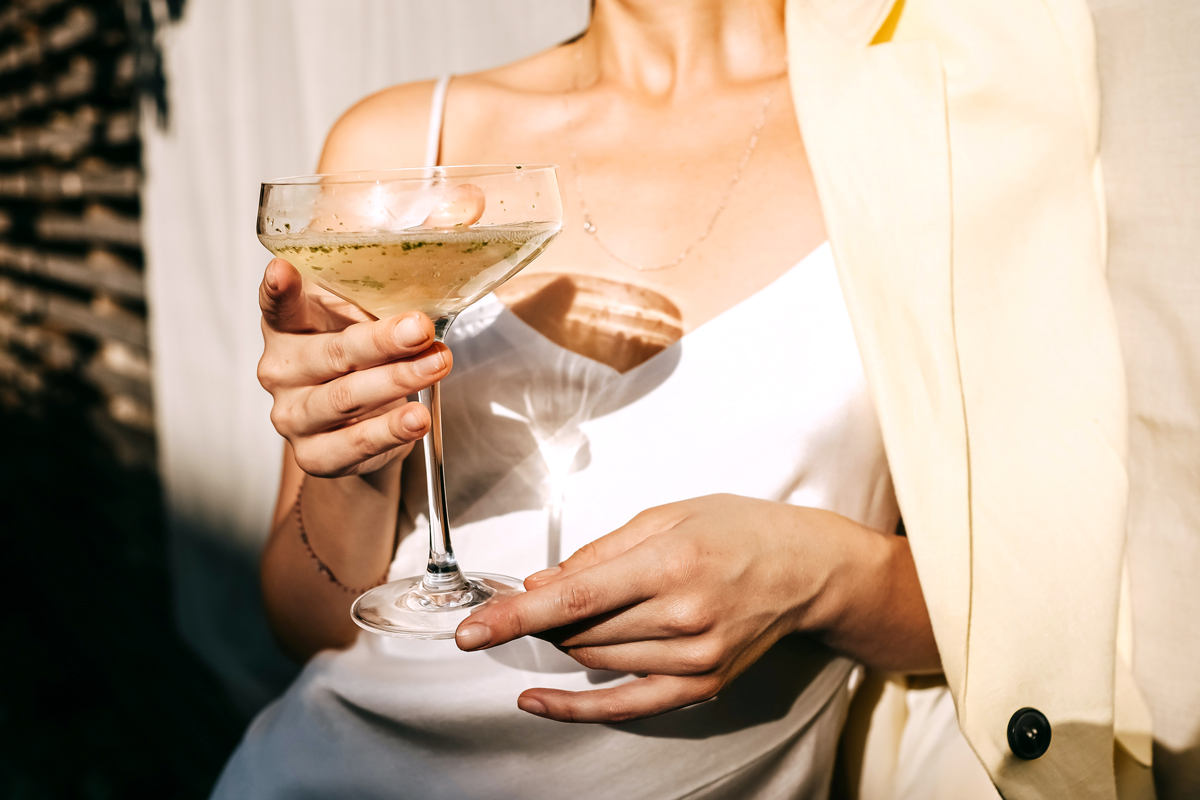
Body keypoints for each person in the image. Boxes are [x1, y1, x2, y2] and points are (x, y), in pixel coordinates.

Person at [212, 1, 1152, 798]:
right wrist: (353, 461)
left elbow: (1058, 599)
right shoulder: (404, 142)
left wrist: (831, 578)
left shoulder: (935, 123)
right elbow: (315, 623)